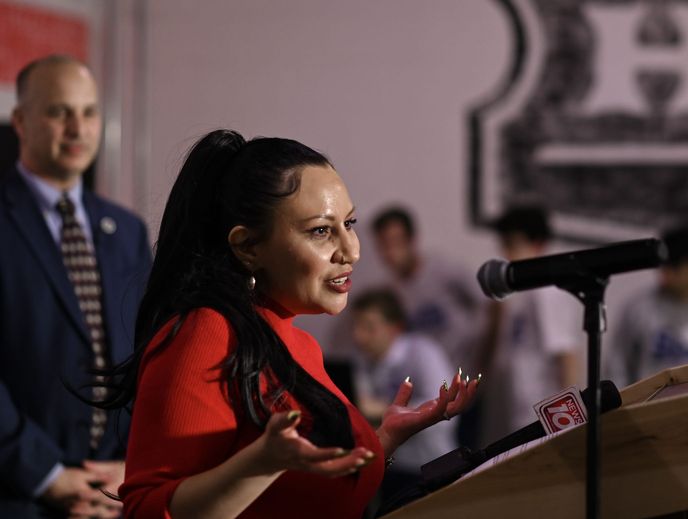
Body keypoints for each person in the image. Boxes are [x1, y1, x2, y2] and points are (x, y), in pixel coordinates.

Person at [109, 130, 480, 519]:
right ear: (248, 247)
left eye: (349, 223)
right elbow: (147, 510)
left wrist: (387, 437)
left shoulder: (300, 345)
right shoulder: (204, 334)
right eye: (321, 230)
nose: (351, 250)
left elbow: (306, 495)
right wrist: (260, 465)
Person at [0, 55, 152, 518]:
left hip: (116, 492)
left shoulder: (126, 229)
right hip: (19, 494)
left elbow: (146, 355)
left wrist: (131, 467)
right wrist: (46, 475)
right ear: (21, 121)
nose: (77, 128)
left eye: (88, 113)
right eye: (58, 112)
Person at [475, 206, 582, 445]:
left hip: (536, 416)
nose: (505, 253)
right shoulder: (515, 293)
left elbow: (566, 357)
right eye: (503, 244)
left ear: (538, 244)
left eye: (512, 244)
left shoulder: (547, 290)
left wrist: (568, 427)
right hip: (508, 412)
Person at [349, 288, 459, 500]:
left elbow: (448, 407)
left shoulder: (424, 352)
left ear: (394, 329)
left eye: (368, 327)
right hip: (390, 467)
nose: (358, 336)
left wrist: (380, 409)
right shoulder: (361, 360)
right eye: (356, 326)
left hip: (431, 466)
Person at [608, 223, 688, 386]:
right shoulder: (639, 309)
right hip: (648, 407)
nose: (666, 274)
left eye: (675, 266)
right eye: (664, 265)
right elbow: (617, 366)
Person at [371, 206, 485, 367]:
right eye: (383, 245)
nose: (390, 252)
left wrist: (484, 362)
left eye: (396, 242)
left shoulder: (444, 269)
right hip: (430, 381)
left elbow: (491, 305)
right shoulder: (390, 292)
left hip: (464, 372)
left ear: (412, 240)